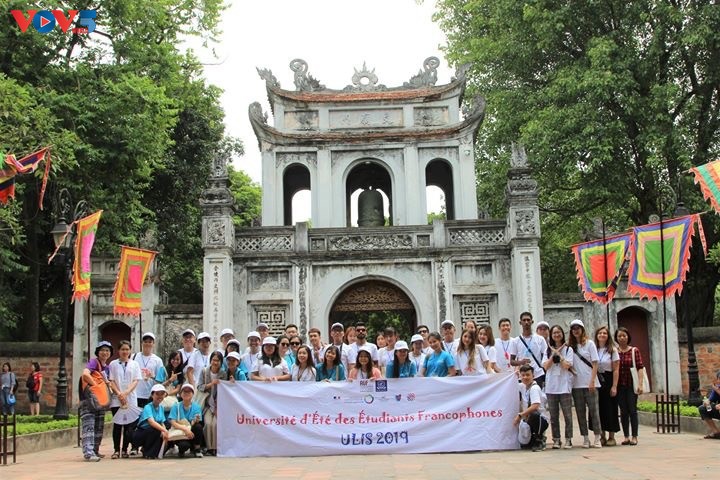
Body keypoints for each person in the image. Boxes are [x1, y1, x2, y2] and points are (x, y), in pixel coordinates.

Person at [568, 319, 602, 448]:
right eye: (573, 328)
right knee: (580, 412)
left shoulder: (590, 344)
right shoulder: (570, 347)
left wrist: (592, 380)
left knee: (594, 411)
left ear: (582, 329)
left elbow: (595, 363)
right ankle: (585, 438)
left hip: (590, 383)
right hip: (576, 384)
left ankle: (597, 437)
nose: (576, 330)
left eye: (578, 328)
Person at [542, 325, 574, 449]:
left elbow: (567, 366)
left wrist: (559, 355)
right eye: (554, 333)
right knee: (554, 416)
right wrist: (553, 354)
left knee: (567, 415)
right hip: (551, 387)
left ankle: (568, 439)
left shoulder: (568, 349)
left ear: (562, 334)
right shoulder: (547, 350)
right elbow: (545, 366)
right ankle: (556, 439)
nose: (556, 335)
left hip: (564, 386)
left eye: (558, 332)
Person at [108, 340, 142, 458]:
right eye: (123, 349)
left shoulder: (135, 364)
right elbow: (111, 380)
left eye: (127, 349)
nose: (125, 352)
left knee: (129, 426)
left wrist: (126, 393)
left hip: (130, 398)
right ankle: (116, 450)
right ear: (118, 351)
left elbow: (136, 380)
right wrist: (119, 394)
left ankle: (124, 449)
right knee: (117, 425)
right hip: (117, 399)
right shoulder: (113, 364)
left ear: (130, 351)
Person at [79, 341, 112, 462]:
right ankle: (88, 452)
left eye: (107, 350)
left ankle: (95, 450)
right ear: (98, 352)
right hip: (89, 401)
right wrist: (95, 386)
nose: (105, 352)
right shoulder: (93, 362)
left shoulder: (107, 368)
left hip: (99, 402)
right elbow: (85, 375)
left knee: (99, 426)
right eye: (102, 350)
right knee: (89, 426)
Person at [615, 326, 646, 446]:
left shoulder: (634, 350)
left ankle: (634, 436)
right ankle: (626, 436)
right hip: (619, 385)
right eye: (619, 336)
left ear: (628, 337)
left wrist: (640, 383)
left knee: (632, 410)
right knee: (623, 411)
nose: (622, 338)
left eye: (624, 335)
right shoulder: (614, 351)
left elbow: (640, 367)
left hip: (631, 384)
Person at [594, 325, 620, 446]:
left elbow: (616, 369)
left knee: (610, 408)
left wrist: (614, 386)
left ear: (608, 336)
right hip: (597, 379)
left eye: (604, 333)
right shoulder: (594, 348)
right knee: (599, 408)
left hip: (609, 379)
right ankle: (602, 435)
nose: (602, 335)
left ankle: (611, 436)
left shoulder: (612, 350)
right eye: (600, 333)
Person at [514, 364, 549, 451]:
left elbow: (535, 406)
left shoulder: (534, 388)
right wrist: (513, 375)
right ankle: (532, 439)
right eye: (523, 375)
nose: (525, 377)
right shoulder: (523, 386)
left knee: (534, 414)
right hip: (527, 419)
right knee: (524, 444)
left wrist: (520, 415)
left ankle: (540, 439)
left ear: (533, 376)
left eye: (528, 375)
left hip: (540, 419)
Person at [509, 312, 547, 388]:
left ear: (532, 322)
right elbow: (512, 361)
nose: (526, 322)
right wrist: (521, 362)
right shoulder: (515, 341)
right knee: (525, 398)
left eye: (528, 320)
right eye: (524, 320)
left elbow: (545, 357)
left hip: (537, 374)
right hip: (523, 374)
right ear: (520, 322)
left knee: (536, 396)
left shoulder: (540, 339)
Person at [132, 384, 170, 459]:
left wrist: (165, 432)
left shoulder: (161, 408)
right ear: (152, 395)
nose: (160, 396)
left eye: (162, 394)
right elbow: (151, 422)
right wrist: (164, 430)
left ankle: (152, 452)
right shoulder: (147, 407)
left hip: (151, 432)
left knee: (162, 434)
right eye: (157, 394)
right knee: (155, 430)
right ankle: (148, 452)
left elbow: (162, 422)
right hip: (141, 433)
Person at [198, 351, 225, 455]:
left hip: (218, 405)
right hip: (207, 405)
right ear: (210, 360)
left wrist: (218, 407)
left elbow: (225, 390)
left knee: (216, 424)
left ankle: (216, 447)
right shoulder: (204, 371)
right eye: (214, 360)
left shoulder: (223, 373)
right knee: (208, 423)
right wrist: (211, 384)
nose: (215, 362)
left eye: (218, 360)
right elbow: (199, 387)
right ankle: (209, 448)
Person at [169, 383, 205, 458]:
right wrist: (185, 429)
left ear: (192, 394)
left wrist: (195, 420)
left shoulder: (196, 407)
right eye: (184, 391)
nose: (186, 393)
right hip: (180, 432)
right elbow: (172, 422)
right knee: (184, 445)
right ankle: (181, 451)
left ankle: (197, 449)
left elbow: (192, 423)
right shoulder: (176, 406)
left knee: (198, 426)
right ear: (181, 393)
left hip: (191, 431)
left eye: (189, 392)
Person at [133, 332, 165, 409]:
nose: (147, 344)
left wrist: (153, 376)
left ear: (153, 344)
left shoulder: (158, 360)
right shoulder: (133, 357)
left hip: (150, 395)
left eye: (150, 342)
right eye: (145, 342)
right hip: (135, 394)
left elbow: (160, 381)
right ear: (142, 343)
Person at [699, 370, 720, 439]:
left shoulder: (717, 389)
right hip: (718, 410)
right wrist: (706, 402)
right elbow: (710, 400)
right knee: (702, 408)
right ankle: (716, 432)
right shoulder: (717, 387)